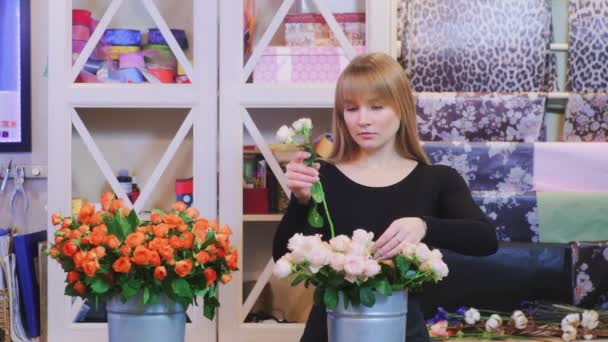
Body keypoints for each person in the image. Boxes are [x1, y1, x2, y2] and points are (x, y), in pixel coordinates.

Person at [272, 52, 498, 342]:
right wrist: (301, 201)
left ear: (401, 108)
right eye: (352, 109)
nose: (363, 120)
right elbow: (281, 256)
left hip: (403, 331)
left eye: (376, 107)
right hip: (329, 331)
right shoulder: (321, 177)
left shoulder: (438, 180)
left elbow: (486, 239)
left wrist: (425, 226)